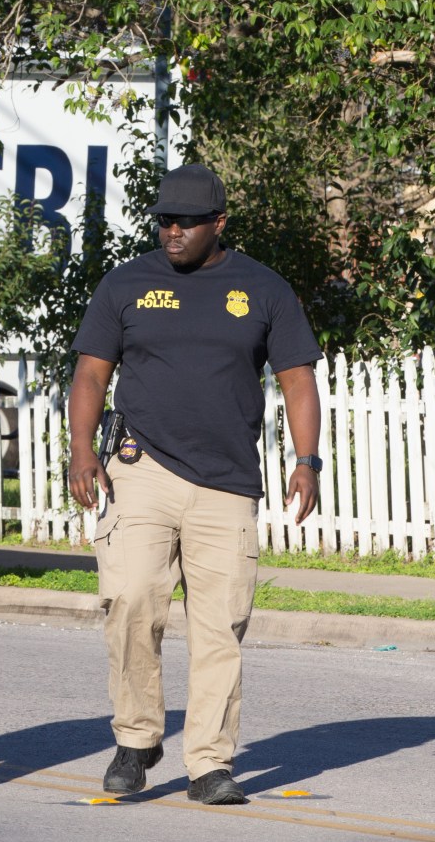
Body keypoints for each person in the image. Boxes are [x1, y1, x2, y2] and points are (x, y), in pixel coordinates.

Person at [67, 163, 322, 806]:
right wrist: (79, 450)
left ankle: (209, 761)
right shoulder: (127, 284)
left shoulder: (263, 289)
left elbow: (296, 378)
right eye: (164, 220)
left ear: (219, 223)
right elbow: (92, 374)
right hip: (139, 467)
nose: (172, 230)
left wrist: (307, 459)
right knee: (129, 599)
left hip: (227, 482)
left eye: (186, 221)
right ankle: (136, 738)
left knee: (219, 626)